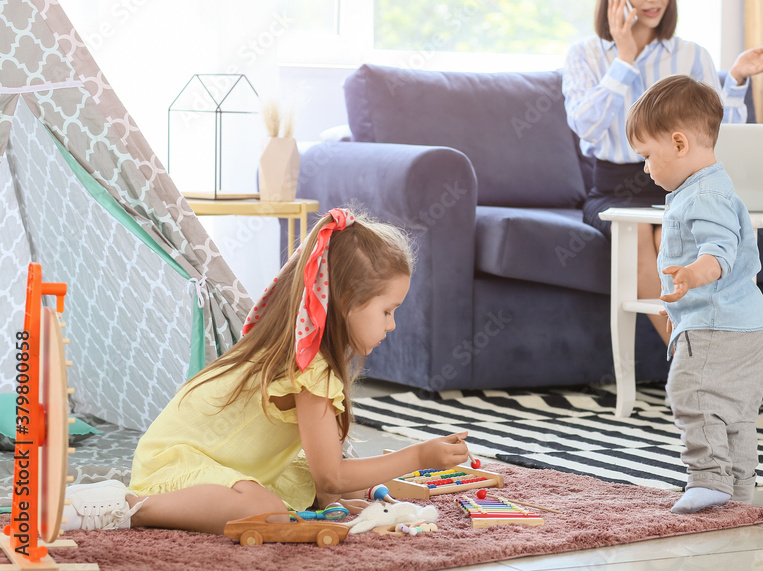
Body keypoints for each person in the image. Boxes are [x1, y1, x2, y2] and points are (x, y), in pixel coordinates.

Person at [60, 208, 470, 534]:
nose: (391, 325)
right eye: (387, 311)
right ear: (346, 301)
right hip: (177, 464)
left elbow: (325, 472)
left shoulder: (308, 356)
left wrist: (336, 494)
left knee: (317, 489)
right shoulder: (311, 367)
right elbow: (332, 473)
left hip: (218, 463)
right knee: (265, 510)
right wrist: (418, 454)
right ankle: (127, 507)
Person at [562, 0, 763, 347]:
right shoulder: (586, 56)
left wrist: (734, 80)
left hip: (685, 185)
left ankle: (710, 357)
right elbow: (586, 127)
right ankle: (688, 359)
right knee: (646, 240)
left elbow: (717, 134)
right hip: (614, 190)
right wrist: (625, 61)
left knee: (674, 236)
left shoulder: (691, 55)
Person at [625, 75, 763, 514]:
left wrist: (691, 275)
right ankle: (740, 490)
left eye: (648, 156)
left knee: (689, 392)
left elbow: (718, 252)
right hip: (748, 323)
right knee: (735, 412)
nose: (646, 168)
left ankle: (708, 478)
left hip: (716, 323)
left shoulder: (704, 196)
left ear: (678, 143)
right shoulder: (706, 187)